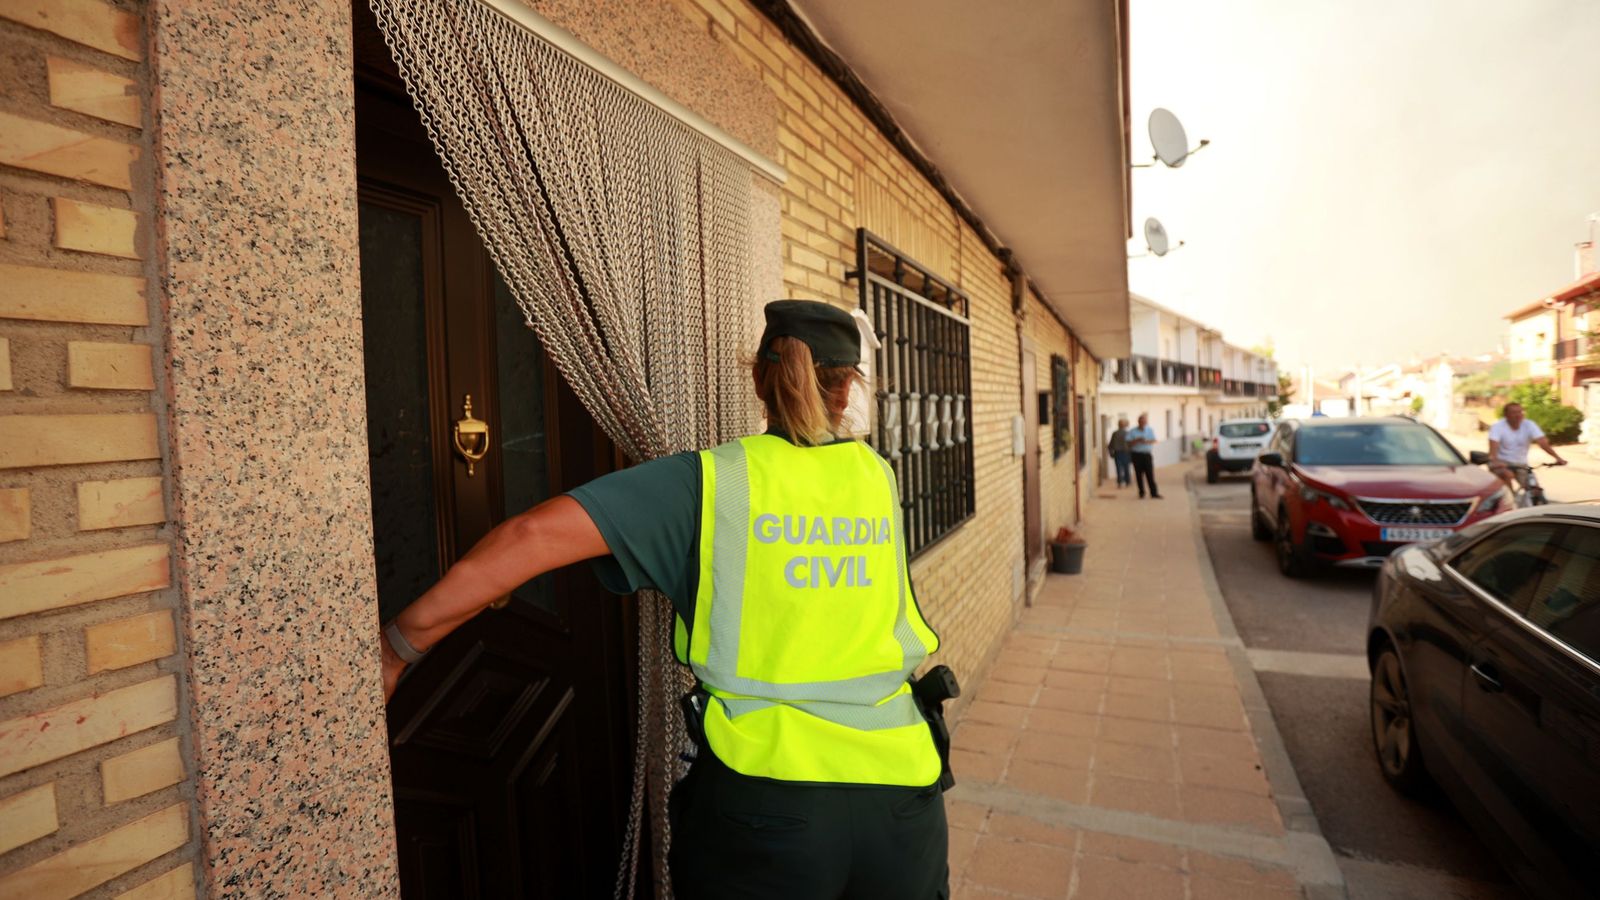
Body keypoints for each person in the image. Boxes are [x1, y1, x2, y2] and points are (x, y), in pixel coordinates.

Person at [379, 299, 950, 899]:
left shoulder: (711, 482)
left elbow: (531, 537)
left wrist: (398, 646)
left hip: (768, 807)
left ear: (760, 378)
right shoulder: (877, 478)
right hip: (903, 798)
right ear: (847, 390)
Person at [1487, 401, 1566, 490]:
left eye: (1520, 412)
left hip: (1521, 464)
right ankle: (1509, 500)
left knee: (1534, 489)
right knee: (1507, 476)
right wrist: (1494, 460)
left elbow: (1543, 443)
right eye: (1514, 413)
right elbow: (1493, 446)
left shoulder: (1529, 424)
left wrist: (1557, 458)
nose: (1518, 415)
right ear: (1506, 415)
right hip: (1502, 463)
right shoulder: (1498, 426)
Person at [1126, 413, 1161, 499]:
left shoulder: (1150, 430)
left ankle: (1154, 493)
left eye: (1144, 421)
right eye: (1141, 421)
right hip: (1136, 455)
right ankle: (1141, 492)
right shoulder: (1132, 431)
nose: (1143, 423)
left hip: (1147, 455)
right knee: (1138, 475)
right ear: (1138, 422)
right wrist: (1137, 440)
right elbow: (1128, 443)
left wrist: (1146, 441)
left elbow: (1154, 440)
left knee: (1150, 474)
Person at [1107, 417, 1132, 488]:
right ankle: (1127, 481)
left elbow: (1111, 445)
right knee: (1126, 468)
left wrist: (1111, 453)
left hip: (1117, 453)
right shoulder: (1127, 433)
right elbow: (1130, 445)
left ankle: (1120, 482)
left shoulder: (1115, 433)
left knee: (1118, 468)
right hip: (1125, 453)